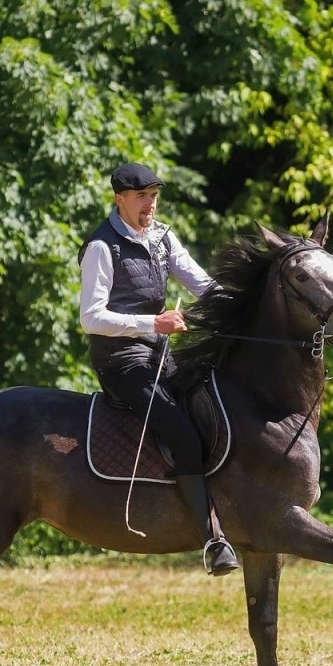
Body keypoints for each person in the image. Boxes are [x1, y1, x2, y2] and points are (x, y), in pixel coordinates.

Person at [78, 162, 239, 576]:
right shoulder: (102, 247)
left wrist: (242, 310)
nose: (149, 204)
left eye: (154, 196)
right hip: (122, 363)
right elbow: (92, 318)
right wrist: (155, 324)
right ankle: (212, 539)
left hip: (161, 356)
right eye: (141, 197)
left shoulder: (164, 238)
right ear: (120, 199)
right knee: (184, 436)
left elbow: (202, 285)